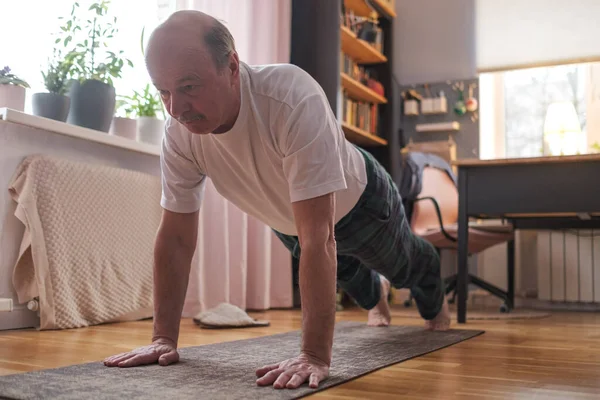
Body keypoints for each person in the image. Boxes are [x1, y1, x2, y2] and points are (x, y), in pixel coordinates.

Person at [103, 10, 450, 390]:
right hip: (291, 221)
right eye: (163, 91)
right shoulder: (178, 133)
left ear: (232, 66)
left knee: (406, 270)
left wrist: (314, 355)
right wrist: (163, 338)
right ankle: (375, 296)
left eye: (188, 86)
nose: (176, 108)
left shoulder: (289, 96)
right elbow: (176, 239)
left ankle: (433, 301)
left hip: (361, 202)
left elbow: (321, 238)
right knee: (351, 278)